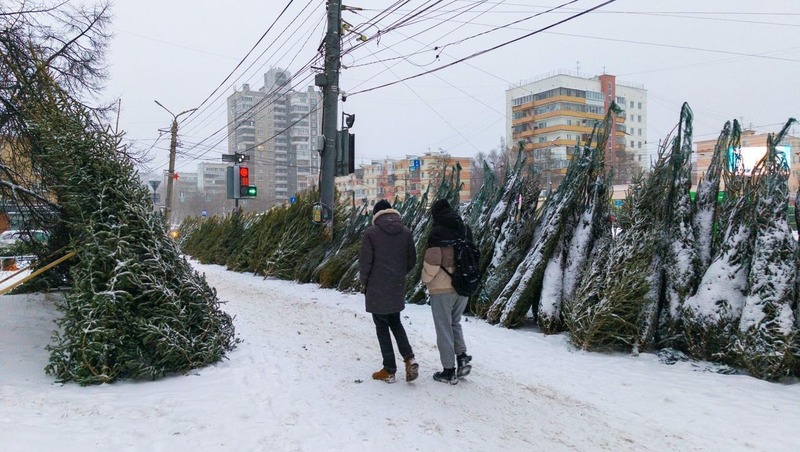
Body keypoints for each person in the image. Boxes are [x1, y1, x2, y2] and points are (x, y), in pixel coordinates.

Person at [359, 199, 419, 384]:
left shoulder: (370, 234)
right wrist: (399, 275)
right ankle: (409, 358)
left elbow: (365, 263)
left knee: (381, 327)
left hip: (377, 287)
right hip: (396, 285)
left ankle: (389, 369)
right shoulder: (406, 233)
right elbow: (412, 261)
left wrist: (365, 283)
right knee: (396, 322)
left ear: (376, 214)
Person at [421, 199, 473, 385]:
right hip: (463, 285)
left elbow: (432, 261)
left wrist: (425, 279)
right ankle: (462, 357)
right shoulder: (464, 229)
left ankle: (448, 371)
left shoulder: (437, 232)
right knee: (455, 323)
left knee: (444, 328)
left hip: (442, 288)